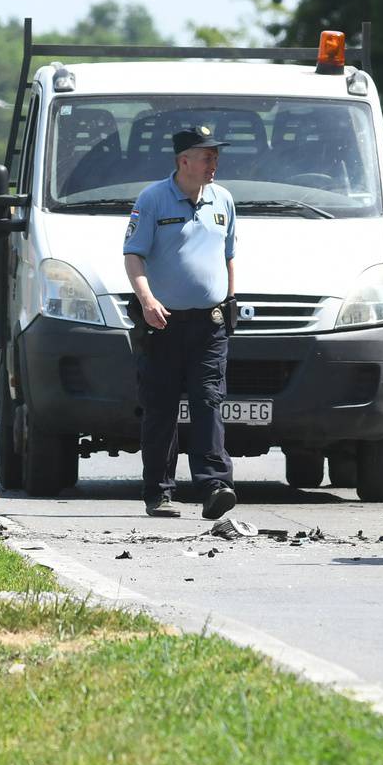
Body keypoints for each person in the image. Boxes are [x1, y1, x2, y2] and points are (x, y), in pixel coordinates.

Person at [122, 126, 240, 519]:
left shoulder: (223, 199)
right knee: (161, 408)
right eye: (206, 156)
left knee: (209, 401)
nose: (214, 163)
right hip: (163, 323)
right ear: (183, 160)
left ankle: (214, 486)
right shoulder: (153, 199)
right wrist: (148, 300)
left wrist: (231, 299)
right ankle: (159, 492)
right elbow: (133, 256)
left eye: (215, 155)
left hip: (209, 324)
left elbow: (228, 254)